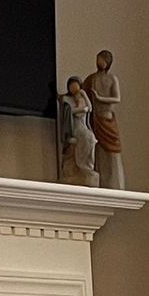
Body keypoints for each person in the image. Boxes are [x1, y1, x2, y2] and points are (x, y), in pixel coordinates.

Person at [85, 49, 123, 190]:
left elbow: (117, 98)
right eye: (97, 59)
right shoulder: (92, 79)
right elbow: (81, 93)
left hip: (107, 117)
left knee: (112, 152)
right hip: (95, 119)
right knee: (98, 151)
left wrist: (100, 98)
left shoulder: (112, 79)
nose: (98, 62)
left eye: (101, 59)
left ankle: (114, 182)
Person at [58, 76, 97, 186]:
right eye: (71, 85)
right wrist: (81, 109)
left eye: (76, 85)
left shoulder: (82, 98)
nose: (74, 88)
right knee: (86, 137)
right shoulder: (67, 99)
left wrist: (84, 94)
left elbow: (90, 108)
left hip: (83, 127)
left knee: (91, 138)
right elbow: (69, 112)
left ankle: (88, 166)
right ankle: (82, 165)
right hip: (74, 128)